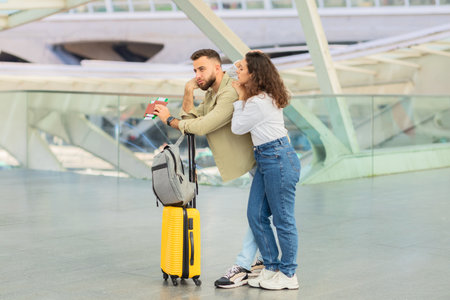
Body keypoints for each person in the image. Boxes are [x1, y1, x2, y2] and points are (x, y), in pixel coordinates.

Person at [154, 49, 263, 288]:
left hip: (264, 158)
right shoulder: (213, 95)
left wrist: (170, 120)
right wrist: (188, 90)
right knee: (262, 215)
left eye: (202, 69)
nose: (197, 75)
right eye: (194, 70)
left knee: (262, 215)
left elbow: (201, 126)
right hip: (255, 160)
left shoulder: (229, 92)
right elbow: (189, 118)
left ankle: (250, 265)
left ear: (217, 68)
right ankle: (261, 263)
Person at [231, 51, 301, 290]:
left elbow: (238, 127)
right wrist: (247, 61)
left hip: (278, 159)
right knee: (255, 215)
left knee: (283, 220)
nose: (237, 70)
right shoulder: (264, 95)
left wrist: (240, 96)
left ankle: (289, 274)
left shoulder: (258, 102)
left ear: (254, 74)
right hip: (267, 158)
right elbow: (234, 71)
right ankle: (271, 268)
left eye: (242, 68)